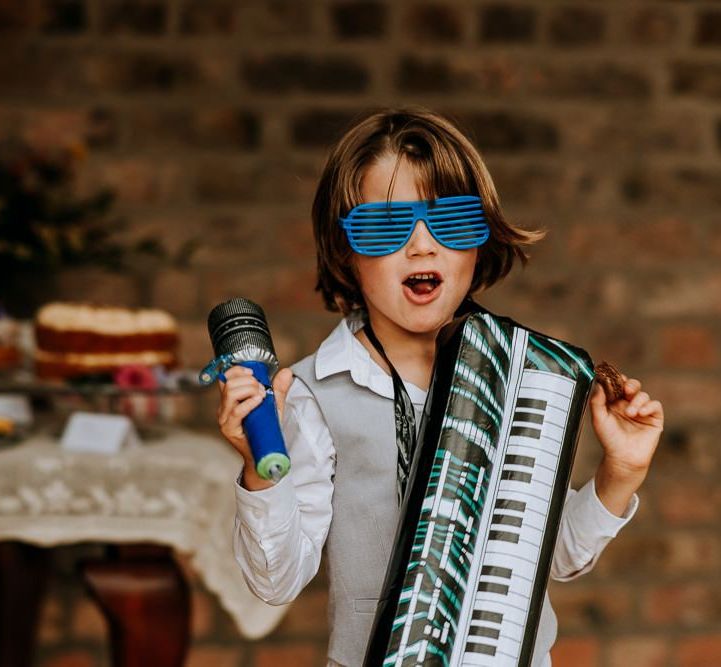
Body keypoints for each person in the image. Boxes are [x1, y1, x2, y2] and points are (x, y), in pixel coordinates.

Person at [217, 108, 664, 666]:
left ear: (480, 242)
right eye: (385, 226)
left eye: (451, 221)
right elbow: (276, 581)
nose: (422, 245)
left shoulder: (521, 373)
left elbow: (554, 560)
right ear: (344, 253)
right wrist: (261, 470)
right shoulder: (315, 394)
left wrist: (618, 473)